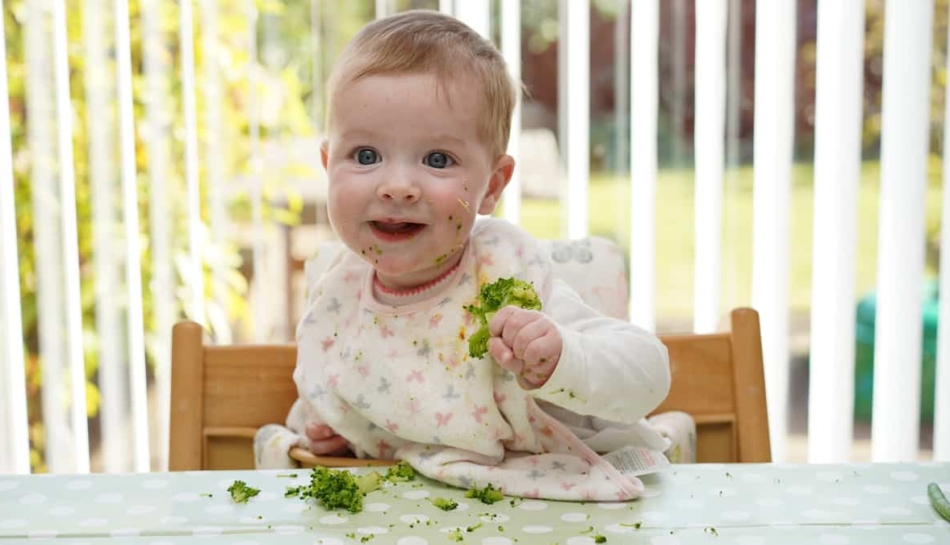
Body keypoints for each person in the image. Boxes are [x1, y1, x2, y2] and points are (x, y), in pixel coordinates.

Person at [254, 9, 682, 501]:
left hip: (539, 502)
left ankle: (679, 436)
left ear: (492, 186)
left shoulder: (505, 284)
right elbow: (347, 394)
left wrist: (561, 356)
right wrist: (337, 434)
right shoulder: (338, 291)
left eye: (437, 160)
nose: (397, 187)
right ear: (329, 165)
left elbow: (649, 372)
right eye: (366, 156)